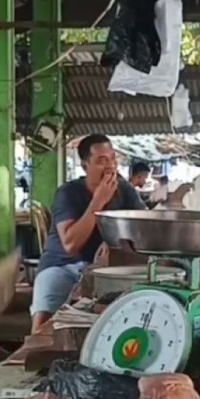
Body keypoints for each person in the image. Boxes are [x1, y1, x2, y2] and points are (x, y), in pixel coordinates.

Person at [31, 134, 146, 331]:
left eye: (112, 159)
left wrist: (115, 240)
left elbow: (144, 222)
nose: (110, 166)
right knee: (42, 324)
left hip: (104, 269)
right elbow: (70, 245)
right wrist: (98, 201)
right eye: (102, 161)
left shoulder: (123, 189)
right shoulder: (67, 193)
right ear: (85, 166)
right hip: (62, 265)